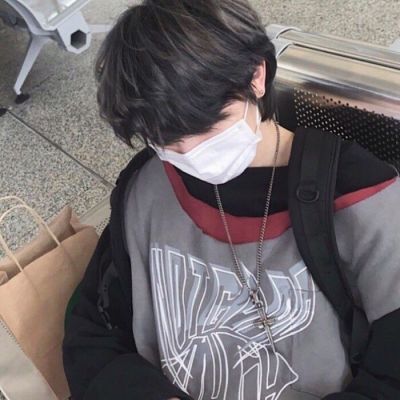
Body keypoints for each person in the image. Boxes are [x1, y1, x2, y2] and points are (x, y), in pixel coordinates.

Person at [62, 1, 400, 399]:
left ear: (256, 76)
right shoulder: (147, 188)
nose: (189, 153)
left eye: (209, 125)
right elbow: (92, 333)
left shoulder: (361, 197)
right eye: (166, 139)